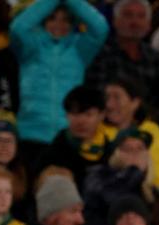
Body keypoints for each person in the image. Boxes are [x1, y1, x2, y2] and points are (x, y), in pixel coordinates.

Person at [9, 0, 108, 149]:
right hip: (30, 134)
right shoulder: (30, 46)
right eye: (52, 18)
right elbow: (18, 28)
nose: (59, 25)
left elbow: (100, 28)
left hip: (68, 134)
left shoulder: (80, 48)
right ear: (42, 20)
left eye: (66, 20)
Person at [84, 0, 159, 129]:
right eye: (128, 15)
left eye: (140, 16)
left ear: (149, 24)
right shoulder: (99, 56)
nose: (134, 22)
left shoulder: (158, 60)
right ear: (115, 21)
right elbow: (94, 101)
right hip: (106, 132)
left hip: (151, 132)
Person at [99, 76, 159, 191]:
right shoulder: (97, 129)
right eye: (107, 97)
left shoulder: (151, 131)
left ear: (135, 103)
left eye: (117, 97)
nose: (109, 104)